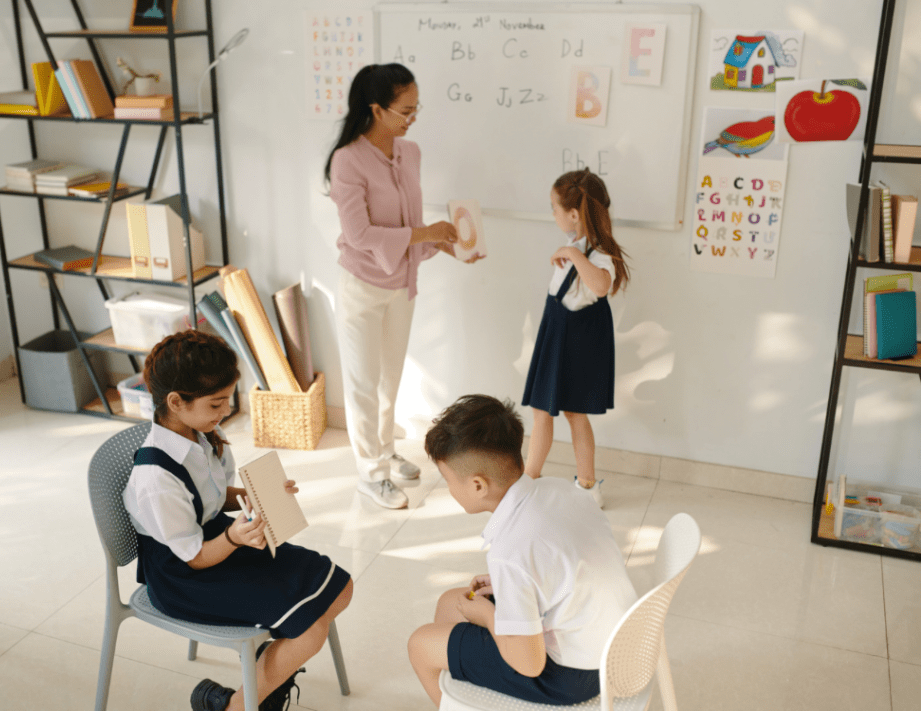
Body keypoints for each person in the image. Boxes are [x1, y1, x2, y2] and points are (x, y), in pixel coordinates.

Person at [121, 331, 353, 711]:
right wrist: (233, 537)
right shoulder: (155, 480)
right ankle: (237, 705)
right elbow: (192, 557)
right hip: (184, 577)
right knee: (310, 630)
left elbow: (210, 496)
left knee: (340, 587)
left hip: (217, 542)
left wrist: (259, 495)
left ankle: (254, 690)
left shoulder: (202, 433)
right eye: (216, 403)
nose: (225, 410)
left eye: (226, 399)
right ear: (176, 402)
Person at [407, 395, 637, 707]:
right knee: (450, 603)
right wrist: (507, 591)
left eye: (448, 480)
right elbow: (552, 565)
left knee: (420, 644)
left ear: (477, 485)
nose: (448, 488)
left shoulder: (511, 551)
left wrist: (488, 615)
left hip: (570, 676)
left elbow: (529, 665)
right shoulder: (561, 490)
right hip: (614, 645)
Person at [325, 62, 481, 511]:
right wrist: (426, 234)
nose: (412, 118)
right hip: (361, 287)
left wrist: (450, 245)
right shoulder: (347, 160)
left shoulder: (408, 153)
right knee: (362, 383)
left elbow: (411, 226)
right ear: (376, 109)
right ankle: (370, 474)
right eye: (405, 110)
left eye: (416, 108)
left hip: (401, 284)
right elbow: (360, 235)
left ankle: (385, 450)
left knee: (390, 379)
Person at [521, 169, 630, 508]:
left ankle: (586, 484)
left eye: (555, 207)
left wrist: (574, 256)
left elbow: (600, 287)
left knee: (574, 413)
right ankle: (529, 478)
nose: (552, 213)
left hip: (579, 339)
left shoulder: (598, 253)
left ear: (573, 214)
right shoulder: (574, 247)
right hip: (555, 332)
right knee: (542, 410)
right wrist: (571, 252)